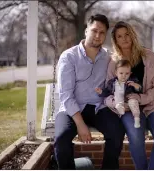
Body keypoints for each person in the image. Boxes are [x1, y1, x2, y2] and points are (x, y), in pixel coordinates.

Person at [54, 14, 125, 170]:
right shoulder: (69, 57)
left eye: (102, 33)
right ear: (86, 31)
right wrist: (80, 124)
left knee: (117, 132)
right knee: (61, 138)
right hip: (71, 109)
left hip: (98, 107)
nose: (98, 36)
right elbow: (65, 94)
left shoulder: (108, 57)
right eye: (94, 31)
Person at [105, 21, 154, 170]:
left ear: (133, 35)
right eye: (120, 36)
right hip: (129, 108)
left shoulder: (150, 56)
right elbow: (108, 92)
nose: (124, 38)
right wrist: (117, 103)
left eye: (127, 34)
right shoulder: (114, 63)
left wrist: (142, 98)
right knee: (135, 137)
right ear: (115, 41)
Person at [95, 59, 142, 128]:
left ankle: (136, 118)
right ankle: (119, 107)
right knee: (109, 99)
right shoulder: (112, 82)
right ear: (116, 73)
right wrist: (101, 92)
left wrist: (136, 86)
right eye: (121, 73)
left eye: (127, 73)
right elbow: (108, 91)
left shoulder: (132, 81)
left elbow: (139, 90)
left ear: (130, 73)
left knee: (134, 101)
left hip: (127, 100)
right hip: (117, 100)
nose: (124, 76)